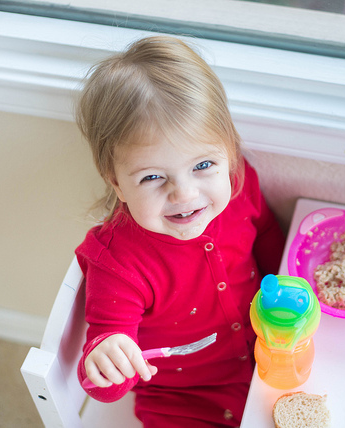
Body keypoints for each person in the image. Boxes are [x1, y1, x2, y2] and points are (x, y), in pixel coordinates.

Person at [74, 35, 285, 427]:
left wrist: (288, 285)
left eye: (203, 165)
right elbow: (102, 381)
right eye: (153, 177)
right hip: (180, 399)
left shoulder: (240, 185)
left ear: (229, 150)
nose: (184, 194)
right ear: (117, 182)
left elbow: (268, 233)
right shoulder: (117, 262)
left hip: (270, 357)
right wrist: (107, 359)